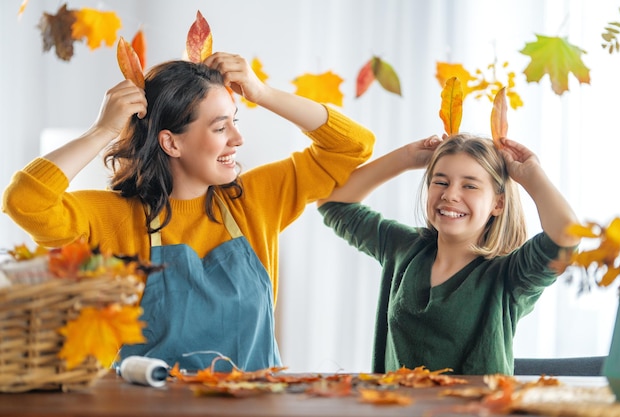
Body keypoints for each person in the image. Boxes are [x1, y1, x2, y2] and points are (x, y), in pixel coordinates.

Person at [2, 53, 375, 371]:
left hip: (255, 407)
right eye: (219, 126)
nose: (237, 139)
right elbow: (25, 202)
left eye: (235, 121)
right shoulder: (112, 218)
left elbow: (353, 146)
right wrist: (102, 130)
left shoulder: (253, 200)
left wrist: (262, 92)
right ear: (171, 142)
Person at [317, 133, 580, 375]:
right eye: (440, 181)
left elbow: (567, 234)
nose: (450, 194)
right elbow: (333, 202)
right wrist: (407, 158)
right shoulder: (404, 248)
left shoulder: (512, 276)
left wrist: (531, 175)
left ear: (498, 203)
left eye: (470, 186)